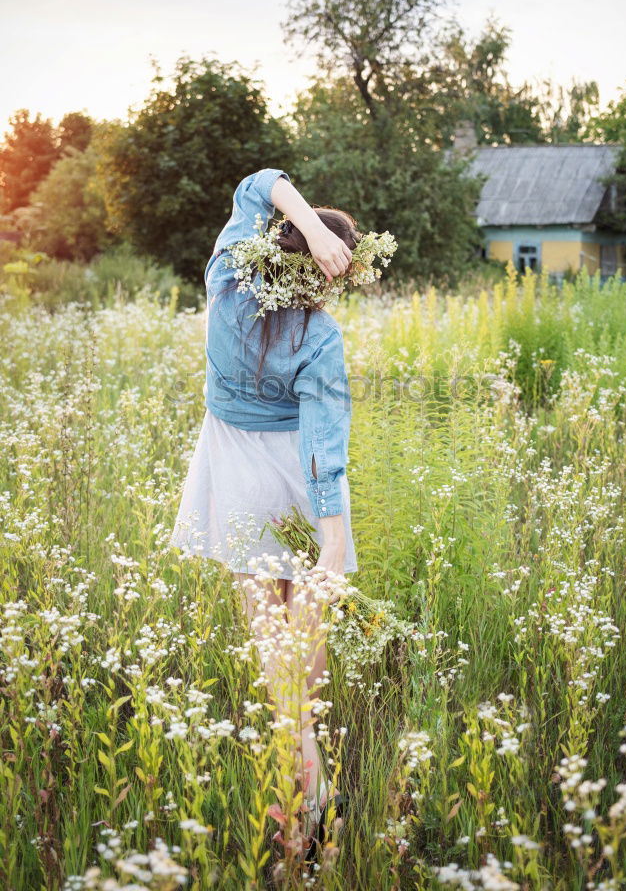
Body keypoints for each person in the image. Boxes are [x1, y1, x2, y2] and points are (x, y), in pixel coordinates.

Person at [169, 167, 360, 856]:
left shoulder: (226, 283)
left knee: (277, 674)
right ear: (330, 274)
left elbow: (258, 183)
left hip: (238, 484)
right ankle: (316, 817)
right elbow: (324, 445)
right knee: (299, 685)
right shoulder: (320, 336)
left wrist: (307, 223)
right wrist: (332, 546)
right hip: (302, 491)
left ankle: (303, 822)